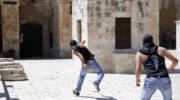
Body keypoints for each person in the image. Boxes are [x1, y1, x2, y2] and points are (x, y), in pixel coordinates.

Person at [136, 34, 178, 100]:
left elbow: (138, 69)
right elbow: (175, 61)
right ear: (152, 41)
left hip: (151, 79)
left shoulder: (140, 53)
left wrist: (137, 79)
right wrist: (172, 67)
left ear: (143, 41)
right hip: (164, 78)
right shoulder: (161, 49)